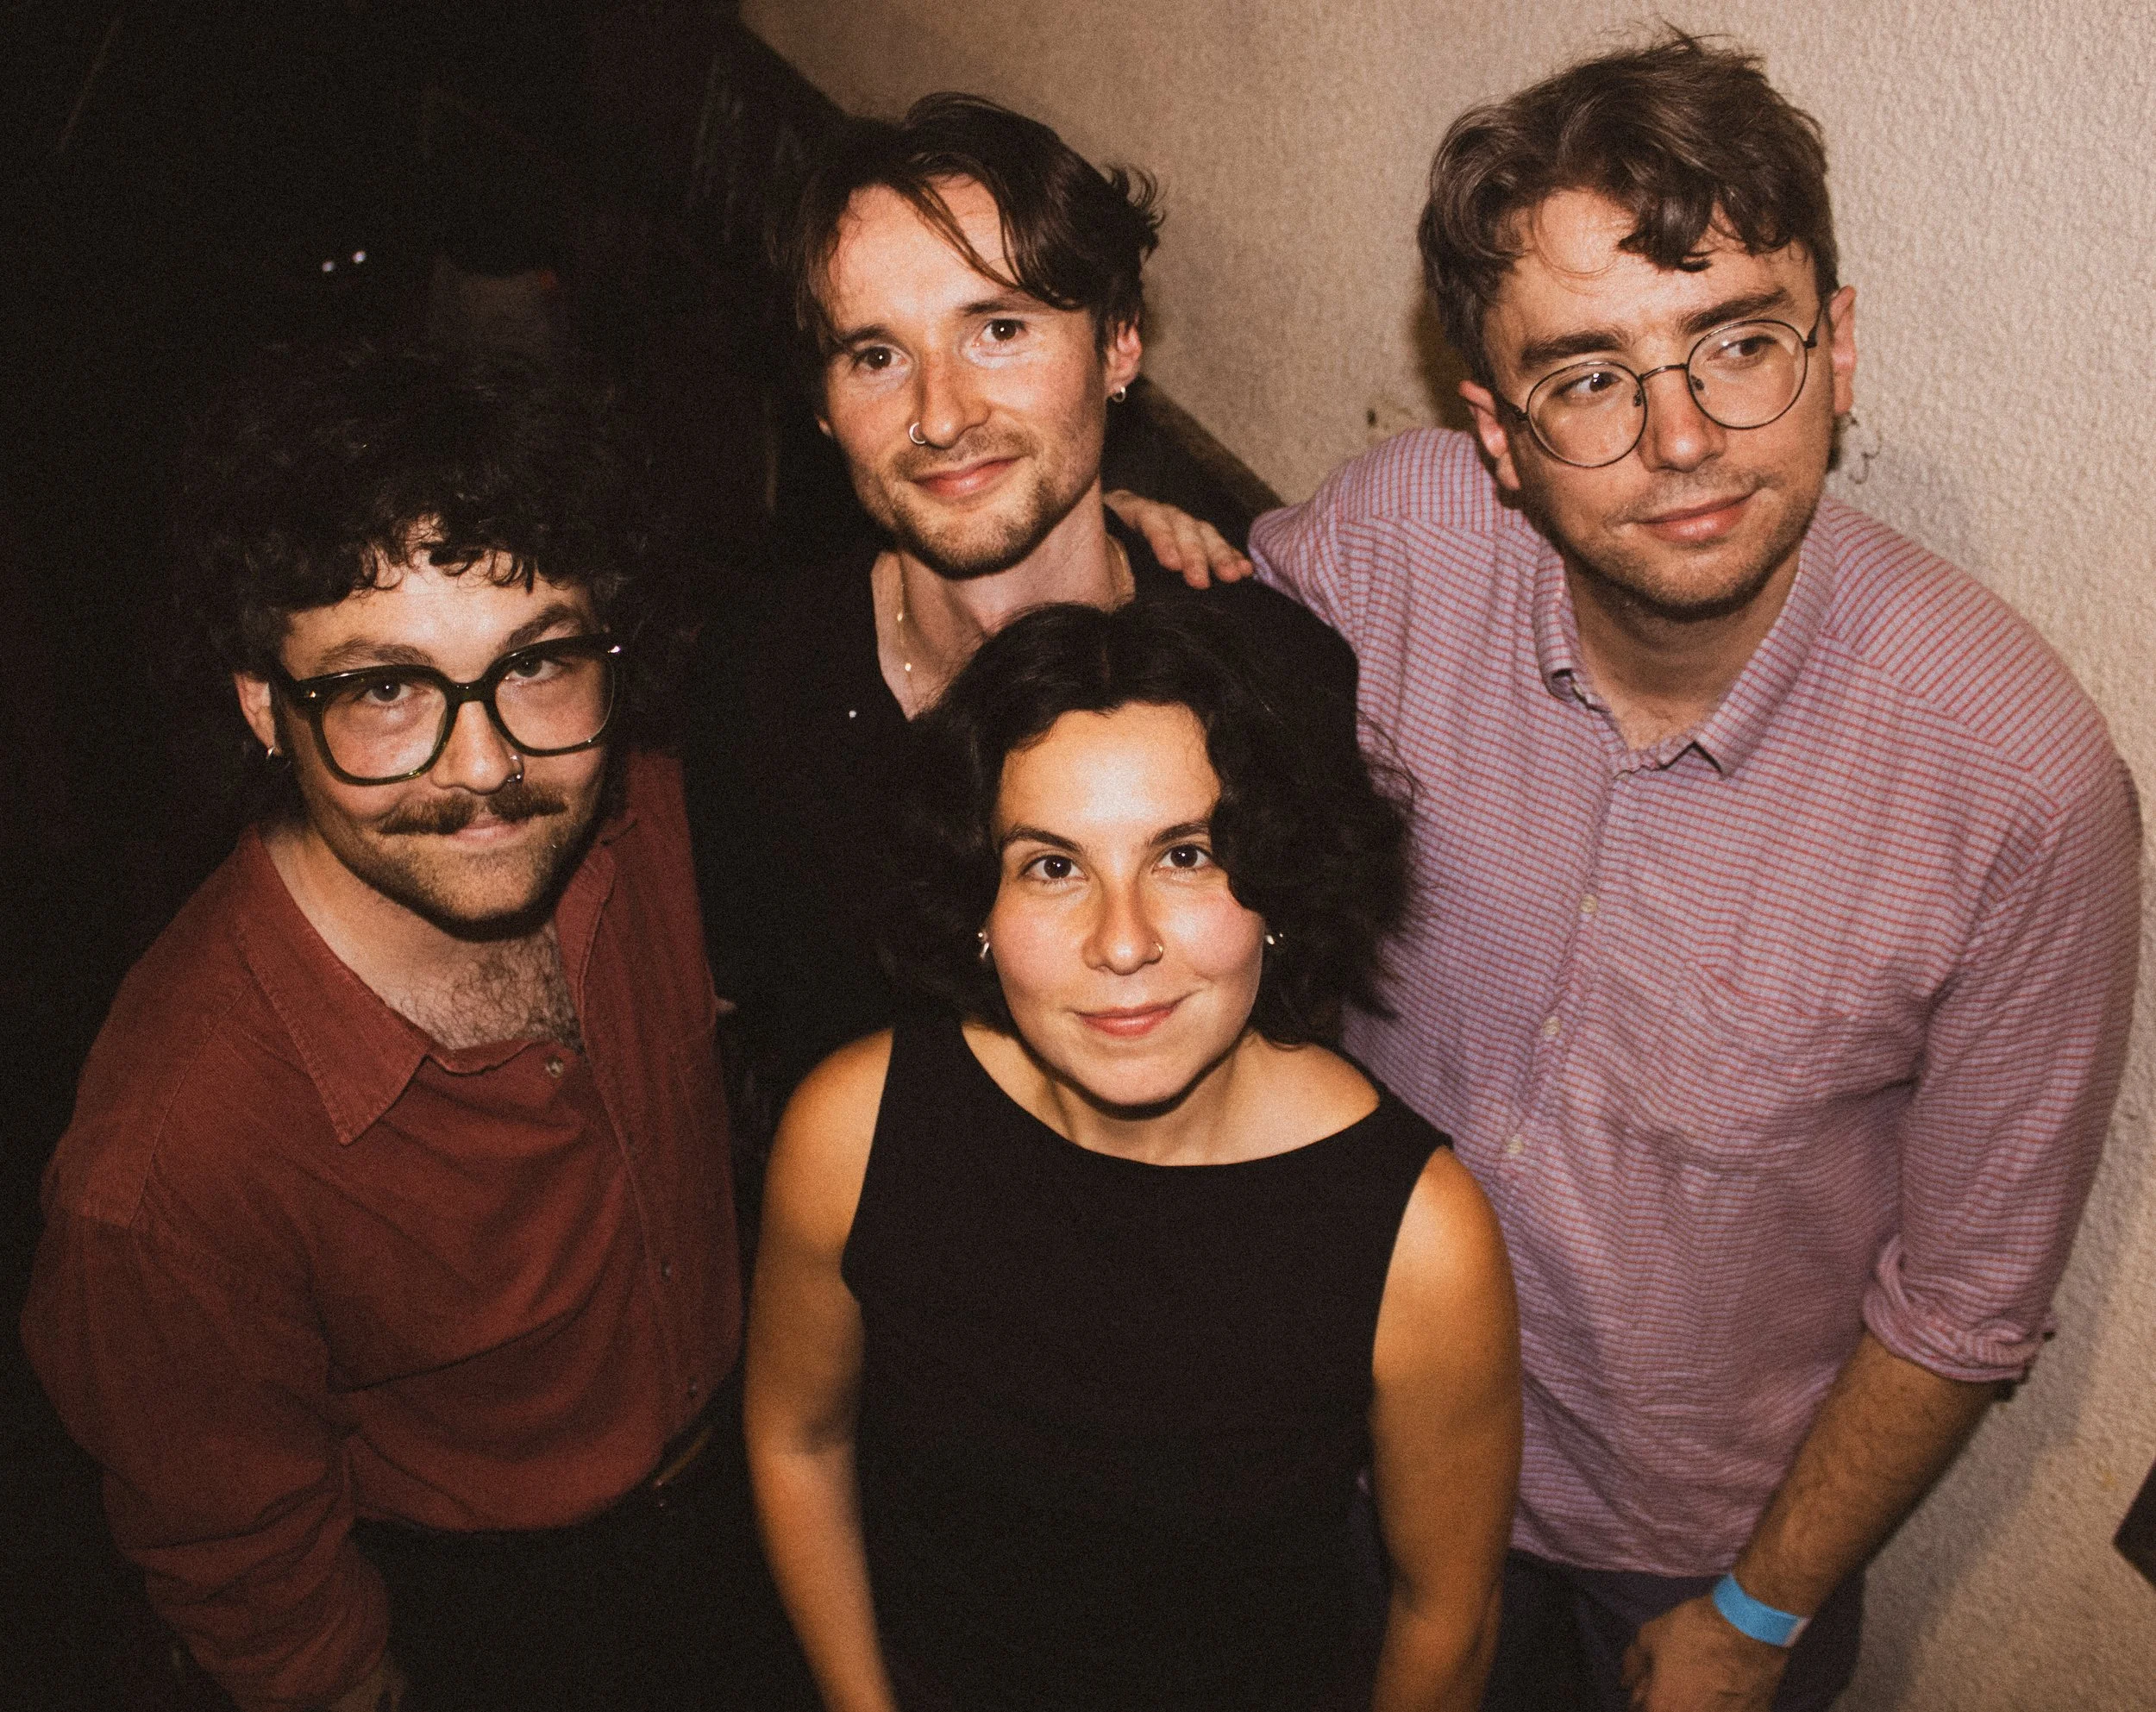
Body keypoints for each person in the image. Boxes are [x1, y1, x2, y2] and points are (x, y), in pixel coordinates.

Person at [1183, 30, 2139, 1712]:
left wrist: (1754, 1612)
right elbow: (1185, 715)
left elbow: (1968, 1294)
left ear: (1834, 347)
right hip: (1350, 1437)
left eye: (1737, 344)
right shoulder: (1393, 542)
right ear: (1493, 428)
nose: (1681, 436)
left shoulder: (2019, 786)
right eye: (1586, 376)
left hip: (1691, 1554)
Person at [22, 342, 808, 1712]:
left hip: (753, 1494)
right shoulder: (168, 1165)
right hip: (493, 1620)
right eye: (386, 690)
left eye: (540, 665)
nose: (489, 764)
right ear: (266, 706)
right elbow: (250, 1574)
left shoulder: (650, 817)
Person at [744, 597, 1521, 1712]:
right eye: (1053, 867)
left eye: (1187, 855)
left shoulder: (1415, 1238)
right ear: (978, 902)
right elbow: (796, 1438)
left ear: (1274, 892)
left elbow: (1447, 1617)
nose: (1123, 941)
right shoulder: (854, 1132)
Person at [681, 92, 1356, 1119]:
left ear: (1119, 344)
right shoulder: (755, 685)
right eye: (876, 355)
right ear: (821, 408)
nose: (941, 414)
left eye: (997, 328)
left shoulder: (1273, 683)